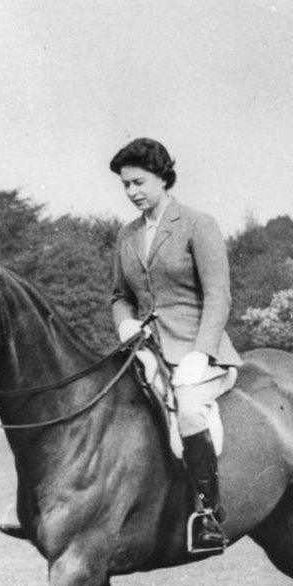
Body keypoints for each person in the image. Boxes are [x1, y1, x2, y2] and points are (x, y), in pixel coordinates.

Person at [110, 137, 242, 553]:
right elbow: (119, 295)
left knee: (188, 410)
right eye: (126, 185)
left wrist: (201, 353)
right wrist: (125, 323)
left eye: (138, 182)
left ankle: (208, 515)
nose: (132, 192)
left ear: (162, 178)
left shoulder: (197, 224)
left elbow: (219, 295)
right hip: (146, 348)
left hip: (198, 349)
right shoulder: (126, 236)